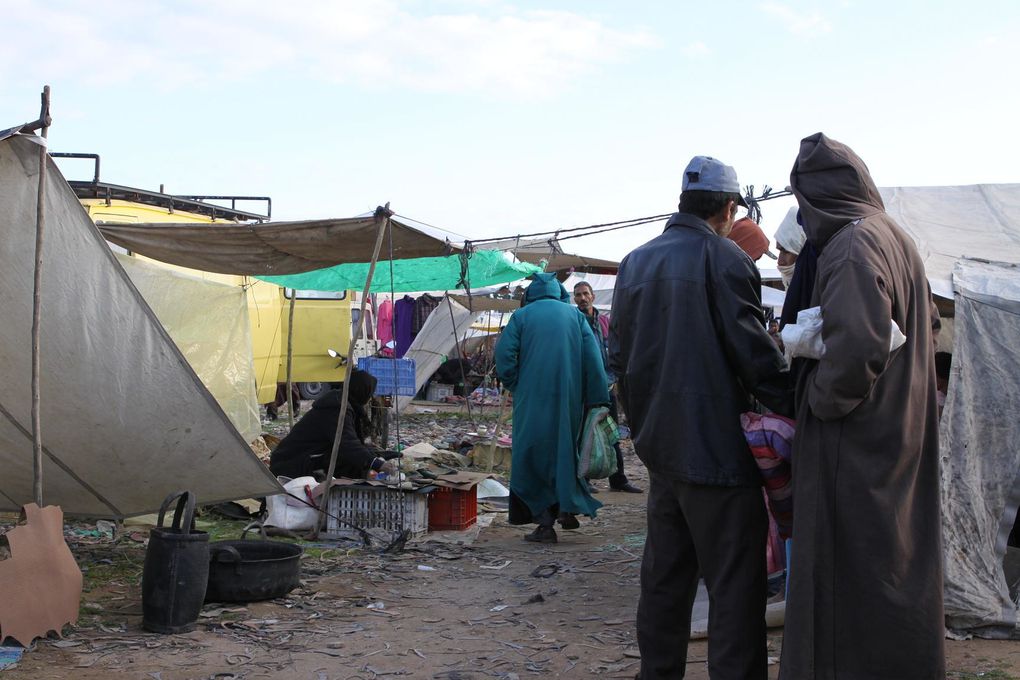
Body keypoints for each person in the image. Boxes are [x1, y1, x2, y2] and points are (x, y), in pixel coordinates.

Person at [608, 155, 792, 680]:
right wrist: (799, 404)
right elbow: (756, 359)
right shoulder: (727, 260)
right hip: (718, 455)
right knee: (735, 587)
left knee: (666, 580)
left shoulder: (635, 262)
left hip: (661, 452)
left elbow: (617, 357)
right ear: (729, 209)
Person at [779, 133, 944, 680]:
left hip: (856, 442)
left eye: (801, 203)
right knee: (891, 567)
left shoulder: (853, 245)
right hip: (896, 429)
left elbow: (859, 348)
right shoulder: (894, 237)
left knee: (847, 582)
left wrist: (821, 405)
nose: (801, 218)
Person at [495, 272, 610, 544]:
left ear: (532, 293)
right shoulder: (575, 316)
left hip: (532, 397)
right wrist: (596, 397)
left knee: (532, 454)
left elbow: (504, 355)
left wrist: (516, 383)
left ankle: (545, 524)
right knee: (565, 451)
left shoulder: (522, 317)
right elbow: (593, 360)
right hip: (570, 397)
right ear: (559, 292)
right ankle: (566, 508)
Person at [572, 281, 642, 493]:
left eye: (585, 294)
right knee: (584, 434)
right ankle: (583, 481)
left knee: (611, 433)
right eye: (578, 295)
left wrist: (614, 378)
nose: (582, 298)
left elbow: (615, 350)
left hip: (606, 386)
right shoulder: (573, 322)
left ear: (592, 296)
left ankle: (618, 480)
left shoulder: (604, 321)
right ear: (574, 299)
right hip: (583, 389)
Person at [269, 368, 399, 480]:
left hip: (299, 460)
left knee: (355, 459)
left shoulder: (343, 403)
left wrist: (384, 455)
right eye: (369, 394)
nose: (370, 399)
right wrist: (376, 463)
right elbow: (348, 444)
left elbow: (353, 442)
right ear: (362, 391)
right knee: (350, 461)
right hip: (291, 465)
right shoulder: (336, 408)